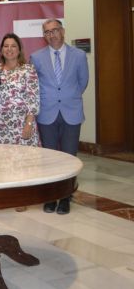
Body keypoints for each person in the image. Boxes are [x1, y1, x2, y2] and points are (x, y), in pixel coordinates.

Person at [31, 19, 88, 215]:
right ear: (43, 36)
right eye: (47, 32)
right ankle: (50, 197)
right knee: (49, 157)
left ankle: (65, 197)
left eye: (55, 30)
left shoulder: (79, 55)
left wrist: (67, 97)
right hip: (47, 113)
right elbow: (35, 85)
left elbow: (83, 82)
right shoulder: (36, 57)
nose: (52, 34)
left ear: (62, 31)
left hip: (71, 111)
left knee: (70, 156)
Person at [0, 33, 40, 146]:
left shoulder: (28, 69)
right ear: (1, 50)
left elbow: (33, 100)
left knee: (26, 160)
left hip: (23, 124)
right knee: (4, 161)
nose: (9, 49)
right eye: (6, 46)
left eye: (13, 46)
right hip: (1, 125)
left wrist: (29, 124)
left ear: (19, 50)